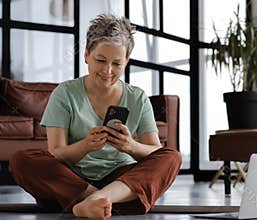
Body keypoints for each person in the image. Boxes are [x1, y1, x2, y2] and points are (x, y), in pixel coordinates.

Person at [9, 14, 181, 219]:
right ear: (86, 55)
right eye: (100, 60)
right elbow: (56, 153)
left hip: (120, 179)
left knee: (172, 157)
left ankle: (91, 202)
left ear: (126, 62)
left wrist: (130, 146)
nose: (108, 71)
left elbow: (154, 151)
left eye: (117, 63)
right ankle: (97, 199)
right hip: (72, 179)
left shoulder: (137, 97)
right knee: (21, 160)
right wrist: (85, 146)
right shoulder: (65, 93)